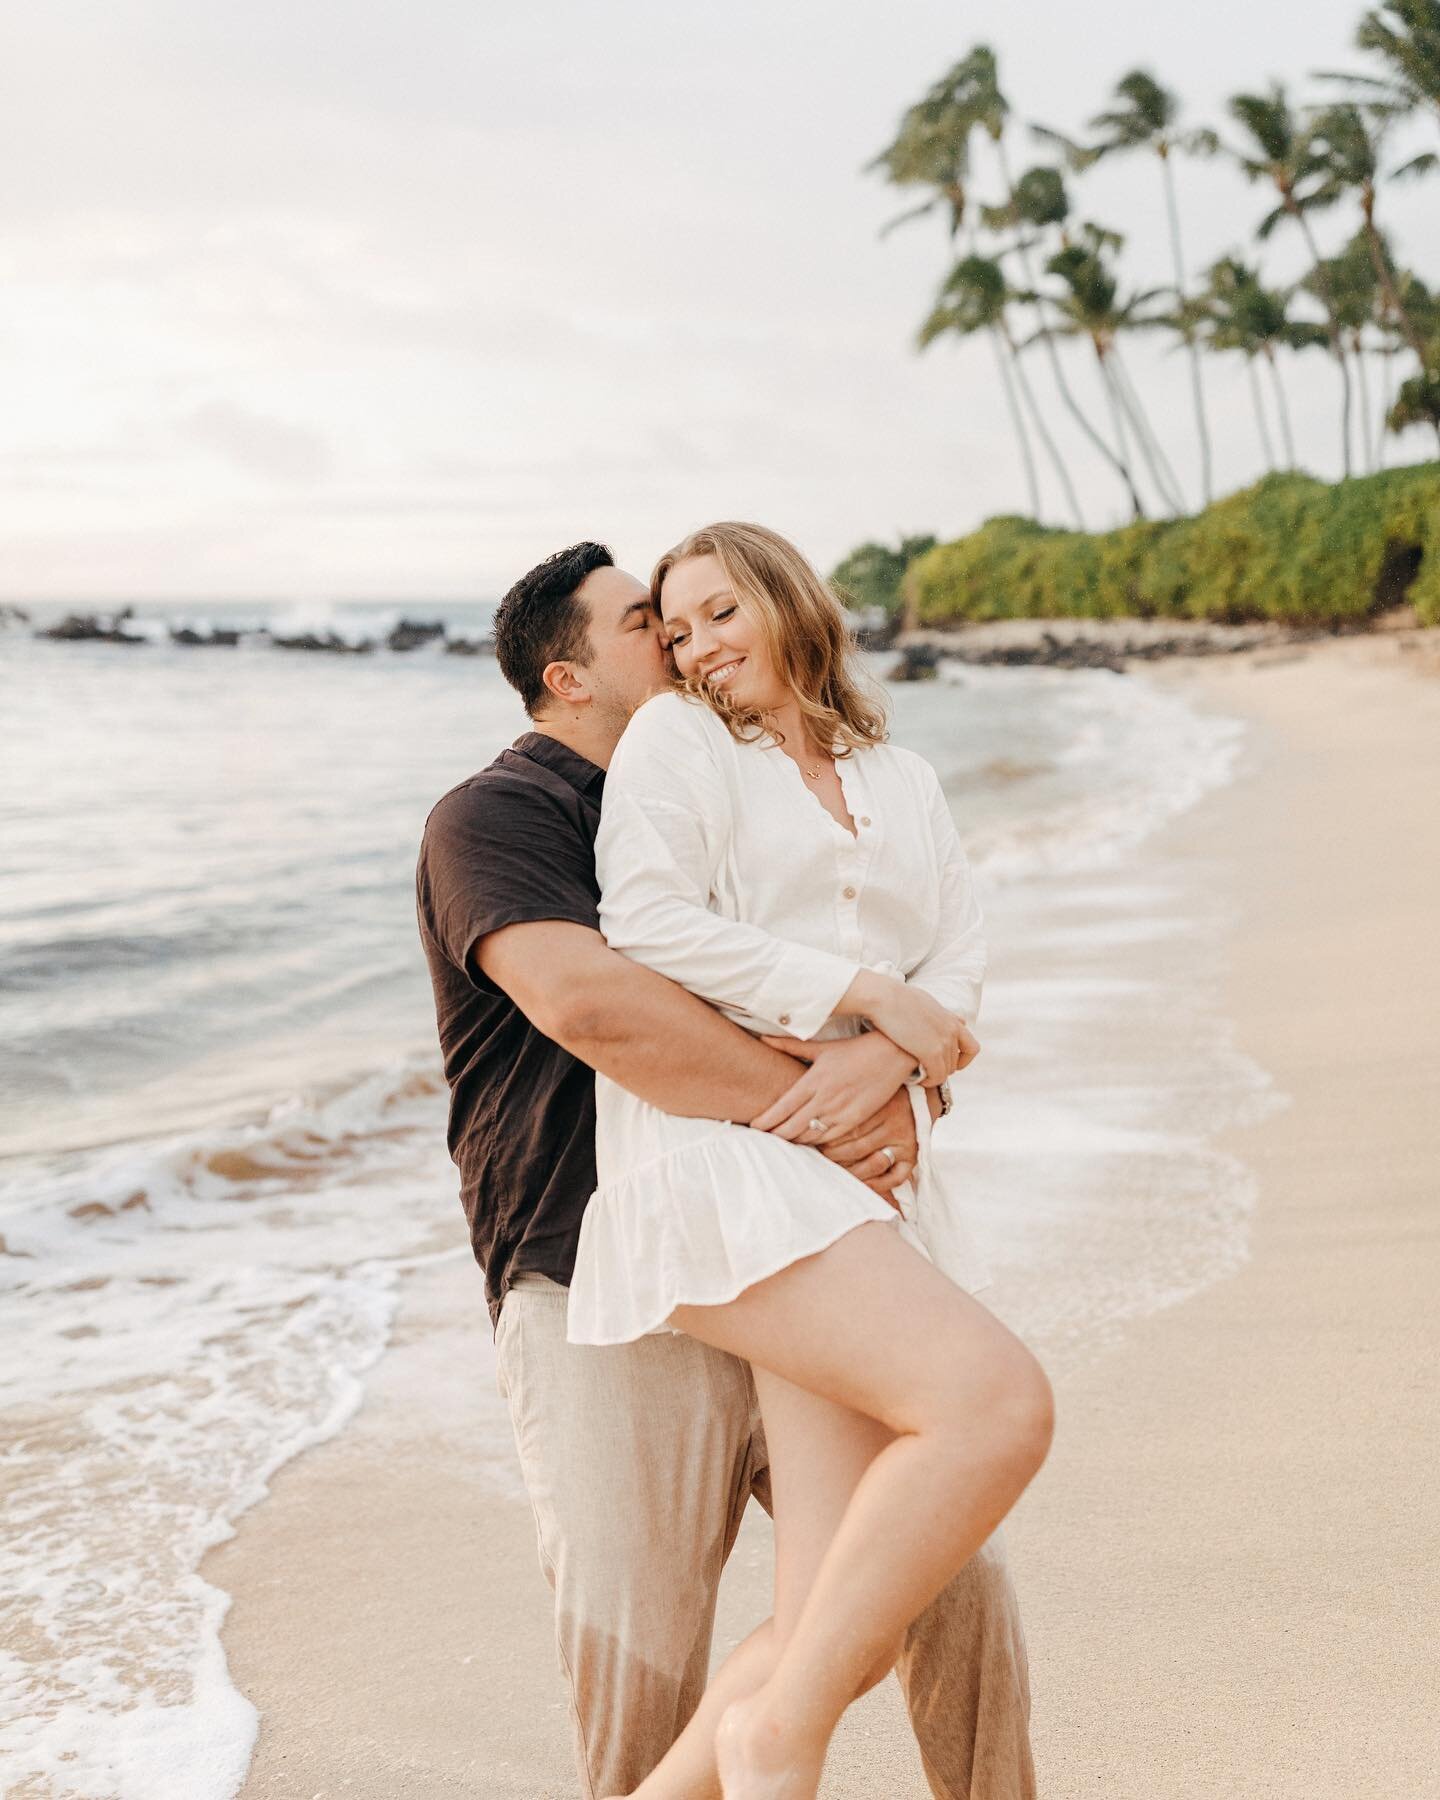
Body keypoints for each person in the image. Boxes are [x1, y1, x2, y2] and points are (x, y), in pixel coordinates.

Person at [415, 539, 1038, 1800]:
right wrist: (841, 1110)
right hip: (592, 1267)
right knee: (642, 1677)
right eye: (651, 624)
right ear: (568, 676)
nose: (682, 645)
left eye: (701, 617)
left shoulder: (740, 769)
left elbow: (899, 952)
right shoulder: (498, 815)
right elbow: (598, 1009)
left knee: (919, 1590)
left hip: (801, 1225)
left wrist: (891, 1082)